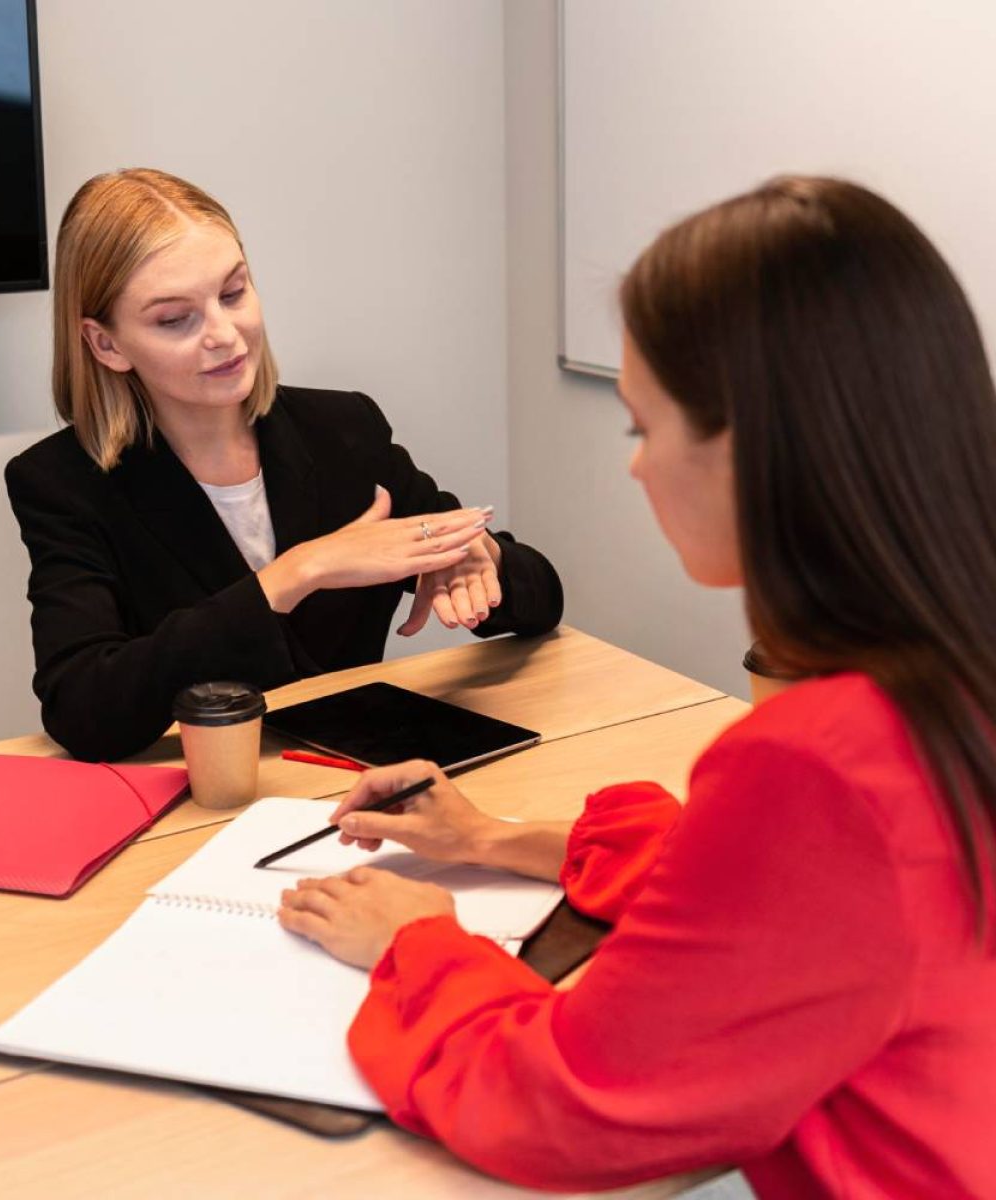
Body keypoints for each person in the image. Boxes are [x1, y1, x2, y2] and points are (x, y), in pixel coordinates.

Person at [278, 177, 996, 1197]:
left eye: (639, 428)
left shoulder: (821, 757)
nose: (635, 469)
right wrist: (489, 839)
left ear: (748, 448)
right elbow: (783, 896)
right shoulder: (948, 665)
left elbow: (566, 1103)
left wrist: (418, 942)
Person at [5, 169, 562, 762]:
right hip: (204, 796)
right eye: (175, 319)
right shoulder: (62, 483)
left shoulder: (344, 429)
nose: (224, 334)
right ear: (106, 344)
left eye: (234, 292)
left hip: (362, 776)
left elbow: (541, 601)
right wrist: (298, 572)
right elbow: (84, 708)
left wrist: (480, 558)